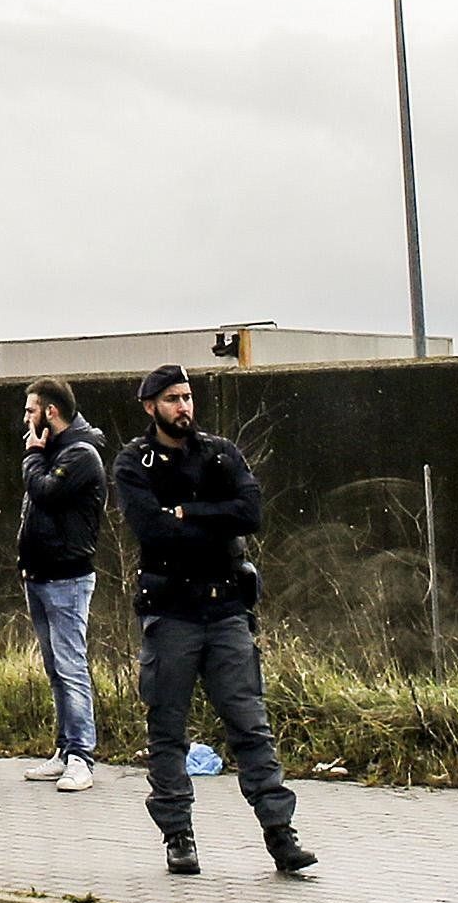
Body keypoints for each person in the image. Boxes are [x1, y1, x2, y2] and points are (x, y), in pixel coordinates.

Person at [113, 364, 317, 876]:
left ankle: (280, 834)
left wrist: (190, 513)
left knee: (251, 726)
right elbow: (153, 531)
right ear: (150, 406)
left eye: (188, 397)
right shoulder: (134, 463)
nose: (184, 407)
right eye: (173, 399)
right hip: (172, 611)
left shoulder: (221, 452)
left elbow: (250, 512)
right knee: (167, 728)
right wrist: (204, 519)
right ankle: (178, 835)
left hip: (226, 608)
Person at [16, 378, 107, 793]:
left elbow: (46, 492)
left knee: (71, 668)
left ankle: (82, 757)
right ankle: (64, 748)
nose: (26, 419)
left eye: (31, 410)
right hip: (38, 574)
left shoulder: (80, 454)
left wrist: (32, 457)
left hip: (67, 578)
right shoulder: (53, 452)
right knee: (55, 669)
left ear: (51, 413)